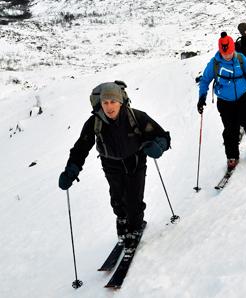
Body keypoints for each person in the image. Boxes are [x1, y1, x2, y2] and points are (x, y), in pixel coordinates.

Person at [58, 82, 171, 248]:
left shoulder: (136, 117)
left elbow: (163, 136)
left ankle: (135, 227)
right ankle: (122, 220)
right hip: (110, 164)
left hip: (136, 162)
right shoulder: (94, 123)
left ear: (120, 102)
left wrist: (158, 147)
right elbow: (80, 148)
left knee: (134, 199)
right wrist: (71, 171)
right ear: (100, 103)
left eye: (113, 102)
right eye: (105, 102)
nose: (109, 107)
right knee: (117, 198)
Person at [197, 32, 246, 169]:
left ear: (233, 49)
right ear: (220, 51)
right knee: (230, 128)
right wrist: (202, 97)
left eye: (230, 52)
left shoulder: (240, 58)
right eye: (224, 53)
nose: (227, 56)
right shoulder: (214, 63)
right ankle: (232, 156)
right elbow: (204, 81)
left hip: (244, 96)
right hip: (225, 101)